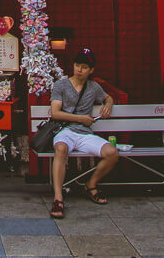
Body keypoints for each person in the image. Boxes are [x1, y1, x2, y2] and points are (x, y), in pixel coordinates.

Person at [49, 47, 118, 219]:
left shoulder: (94, 88)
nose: (79, 70)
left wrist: (109, 104)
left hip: (85, 134)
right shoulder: (61, 85)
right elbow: (55, 113)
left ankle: (91, 184)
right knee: (61, 149)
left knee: (112, 153)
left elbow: (107, 97)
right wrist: (81, 119)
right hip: (64, 130)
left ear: (91, 70)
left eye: (84, 67)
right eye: (77, 65)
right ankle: (58, 197)